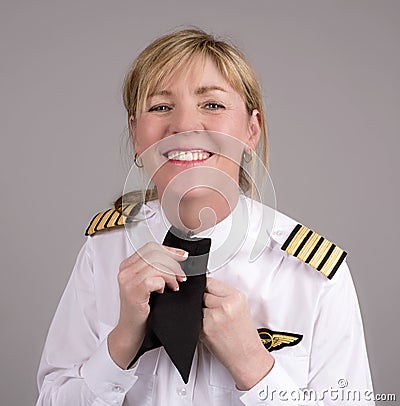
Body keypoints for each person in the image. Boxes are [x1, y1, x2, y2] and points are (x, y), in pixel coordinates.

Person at [36, 29, 375, 405]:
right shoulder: (103, 252)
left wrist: (253, 365)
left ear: (251, 131)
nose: (183, 126)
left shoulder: (312, 275)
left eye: (212, 105)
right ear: (135, 133)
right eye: (160, 107)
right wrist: (120, 343)